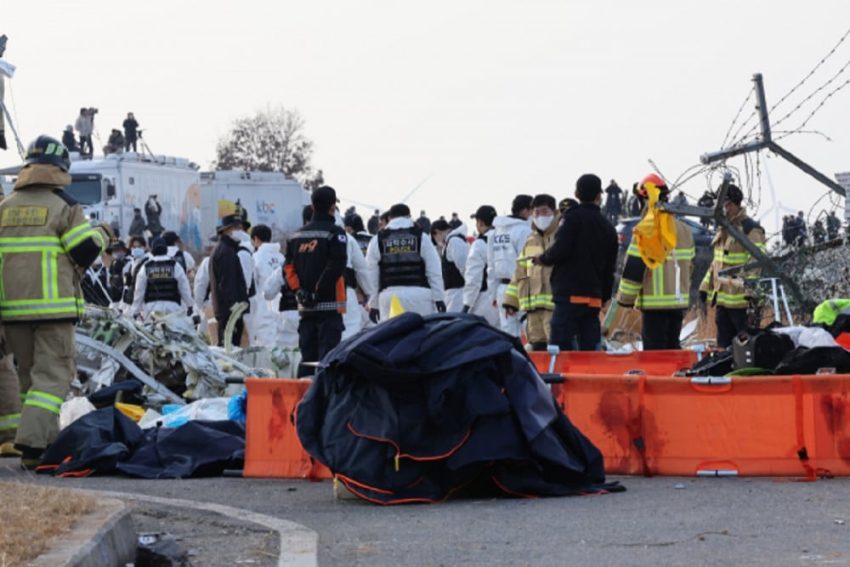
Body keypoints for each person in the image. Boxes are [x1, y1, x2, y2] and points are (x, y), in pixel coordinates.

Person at [0, 135, 110, 467]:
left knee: (30, 380)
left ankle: (38, 443)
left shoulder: (4, 208)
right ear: (60, 169)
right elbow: (84, 251)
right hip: (54, 311)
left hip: (13, 312)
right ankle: (32, 447)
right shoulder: (64, 205)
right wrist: (104, 234)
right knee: (53, 379)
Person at [533, 174, 618, 351]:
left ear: (576, 193)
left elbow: (560, 249)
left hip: (569, 297)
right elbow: (610, 268)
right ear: (599, 196)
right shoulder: (608, 227)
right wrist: (604, 297)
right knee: (590, 349)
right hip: (593, 299)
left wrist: (542, 258)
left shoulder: (572, 218)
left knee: (560, 350)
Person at [616, 175, 695, 350]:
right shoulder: (685, 231)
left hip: (654, 306)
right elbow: (689, 268)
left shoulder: (646, 230)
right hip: (677, 303)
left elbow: (633, 271)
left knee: (655, 357)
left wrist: (624, 300)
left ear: (646, 199)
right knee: (673, 350)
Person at [284, 187, 347, 376]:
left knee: (307, 361)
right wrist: (318, 292)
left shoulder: (295, 237)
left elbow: (288, 268)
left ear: (312, 206)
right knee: (327, 363)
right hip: (329, 309)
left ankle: (302, 401)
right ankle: (324, 403)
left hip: (306, 309)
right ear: (333, 207)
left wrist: (299, 292)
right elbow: (337, 265)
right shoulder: (336, 233)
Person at [699, 184, 766, 348]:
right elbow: (717, 262)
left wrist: (752, 295)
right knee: (723, 348)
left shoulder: (750, 229)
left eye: (725, 204)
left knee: (745, 350)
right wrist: (705, 286)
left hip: (742, 305)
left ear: (734, 204)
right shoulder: (723, 229)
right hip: (723, 302)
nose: (722, 209)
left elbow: (756, 263)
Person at [366, 203, 445, 321]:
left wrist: (373, 304)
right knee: (420, 337)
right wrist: (439, 298)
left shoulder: (377, 239)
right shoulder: (421, 236)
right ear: (409, 216)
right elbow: (434, 270)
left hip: (389, 297)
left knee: (393, 338)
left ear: (390, 218)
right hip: (420, 296)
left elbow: (371, 274)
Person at [502, 194, 560, 350]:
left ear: (554, 212)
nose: (540, 216)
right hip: (533, 309)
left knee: (557, 350)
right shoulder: (531, 240)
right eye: (536, 212)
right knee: (537, 349)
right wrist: (511, 301)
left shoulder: (561, 237)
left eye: (545, 212)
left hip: (554, 308)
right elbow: (522, 271)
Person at [487, 194, 533, 337]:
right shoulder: (525, 231)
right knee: (533, 332)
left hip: (502, 289)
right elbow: (528, 264)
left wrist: (493, 294)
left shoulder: (494, 233)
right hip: (522, 288)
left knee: (508, 334)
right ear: (526, 211)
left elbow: (491, 267)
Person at [210, 211, 254, 347]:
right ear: (226, 231)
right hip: (230, 313)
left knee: (229, 347)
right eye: (236, 228)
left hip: (228, 311)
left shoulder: (227, 249)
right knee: (229, 349)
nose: (240, 231)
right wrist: (235, 309)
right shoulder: (226, 252)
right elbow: (227, 285)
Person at [131, 236, 193, 319]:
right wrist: (190, 306)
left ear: (152, 250)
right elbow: (184, 289)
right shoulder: (175, 266)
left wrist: (135, 311)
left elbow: (139, 292)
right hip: (173, 309)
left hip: (151, 311)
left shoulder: (145, 267)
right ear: (166, 250)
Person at [248, 224, 284, 347]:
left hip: (263, 311)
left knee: (267, 352)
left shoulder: (256, 258)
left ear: (256, 239)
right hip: (283, 311)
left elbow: (251, 284)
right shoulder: (282, 257)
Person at [462, 205, 499, 326]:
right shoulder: (505, 239)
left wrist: (467, 305)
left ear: (481, 223)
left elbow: (473, 278)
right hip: (508, 297)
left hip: (485, 300)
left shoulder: (479, 244)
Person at [431, 219, 469, 312]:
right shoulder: (450, 242)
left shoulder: (454, 242)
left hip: (458, 294)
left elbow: (465, 268)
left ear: (437, 232)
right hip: (454, 294)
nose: (438, 243)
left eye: (435, 239)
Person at [122, 236, 149, 307]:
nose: (136, 249)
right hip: (132, 300)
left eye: (139, 246)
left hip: (144, 301)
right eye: (134, 247)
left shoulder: (148, 262)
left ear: (144, 247)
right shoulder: (131, 263)